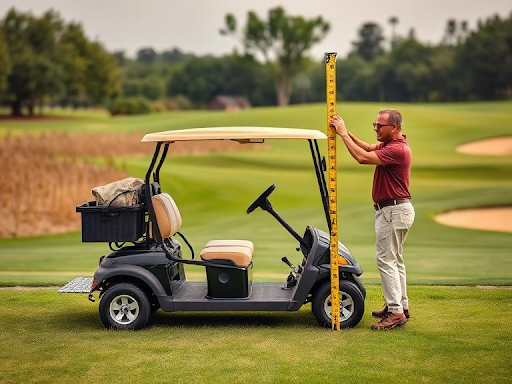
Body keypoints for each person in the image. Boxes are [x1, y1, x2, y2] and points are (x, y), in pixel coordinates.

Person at [330, 109, 414, 331]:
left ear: (394, 128)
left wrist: (343, 135)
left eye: (380, 126)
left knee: (386, 261)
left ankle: (395, 312)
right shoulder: (391, 146)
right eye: (374, 125)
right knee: (395, 261)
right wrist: (345, 132)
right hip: (395, 210)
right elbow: (367, 147)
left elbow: (361, 157)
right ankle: (400, 307)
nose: (376, 129)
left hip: (393, 211)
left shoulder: (397, 150)